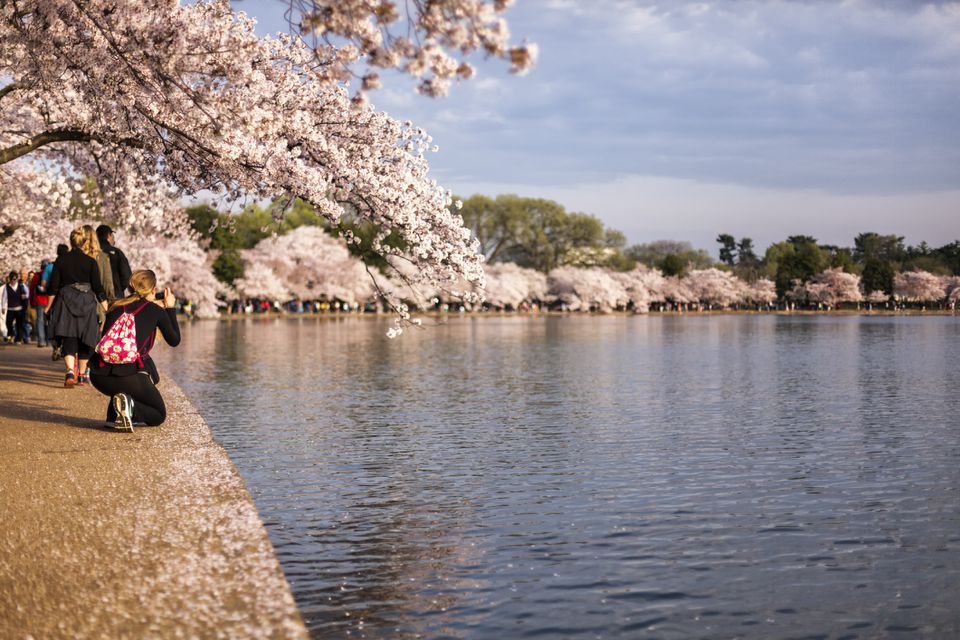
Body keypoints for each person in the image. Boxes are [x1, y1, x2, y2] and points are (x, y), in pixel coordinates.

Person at [90, 270, 180, 431]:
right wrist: (170, 309)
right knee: (158, 414)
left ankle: (114, 416)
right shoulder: (156, 311)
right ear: (153, 290)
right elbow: (174, 340)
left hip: (99, 375)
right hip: (129, 376)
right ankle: (130, 406)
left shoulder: (115, 306)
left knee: (123, 388)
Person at [45, 227, 108, 387]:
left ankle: (69, 372)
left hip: (65, 300)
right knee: (87, 338)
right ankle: (82, 375)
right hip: (86, 302)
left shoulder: (61, 260)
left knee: (69, 336)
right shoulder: (91, 262)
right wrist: (106, 307)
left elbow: (54, 286)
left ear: (71, 241)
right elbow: (98, 288)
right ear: (84, 242)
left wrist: (48, 306)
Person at [96, 224, 132, 299]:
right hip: (116, 297)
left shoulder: (93, 253)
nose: (113, 238)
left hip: (97, 298)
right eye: (112, 236)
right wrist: (118, 288)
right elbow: (126, 275)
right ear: (109, 236)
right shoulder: (117, 253)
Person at [2, 271, 28, 344]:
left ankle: (18, 339)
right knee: (8, 323)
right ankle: (11, 335)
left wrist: (24, 296)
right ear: (10, 279)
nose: (14, 281)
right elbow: (4, 297)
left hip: (19, 308)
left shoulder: (20, 286)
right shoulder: (6, 287)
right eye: (12, 279)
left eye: (15, 279)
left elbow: (27, 294)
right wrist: (3, 307)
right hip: (10, 309)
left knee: (19, 325)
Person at [29, 262, 50, 347]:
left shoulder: (37, 276)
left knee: (40, 321)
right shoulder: (50, 275)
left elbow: (31, 288)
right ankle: (48, 341)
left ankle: (41, 341)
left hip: (39, 301)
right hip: (49, 301)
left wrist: (31, 301)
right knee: (48, 321)